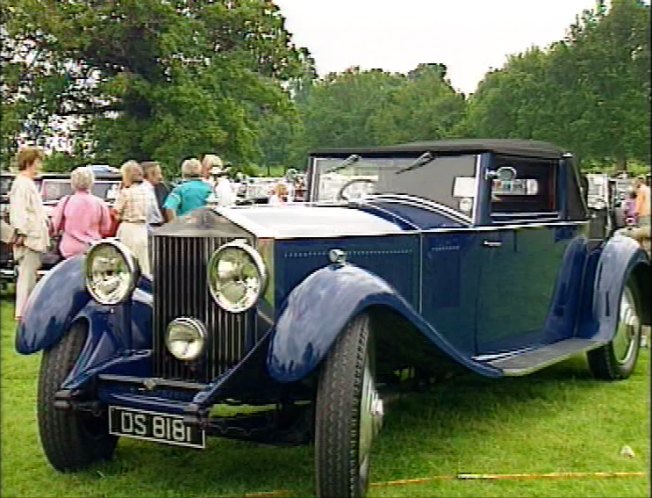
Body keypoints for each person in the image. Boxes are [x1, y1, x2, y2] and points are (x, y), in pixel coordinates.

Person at [9, 147, 49, 319]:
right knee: (26, 276)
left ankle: (28, 312)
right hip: (29, 238)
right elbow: (19, 212)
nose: (39, 166)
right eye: (37, 162)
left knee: (31, 276)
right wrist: (22, 234)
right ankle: (23, 314)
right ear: (29, 163)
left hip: (35, 236)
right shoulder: (22, 184)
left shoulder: (28, 183)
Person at [50, 166, 112, 259]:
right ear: (92, 181)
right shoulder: (99, 203)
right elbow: (106, 228)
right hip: (92, 247)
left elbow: (55, 226)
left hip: (69, 248)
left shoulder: (66, 201)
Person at [113, 160, 151, 275]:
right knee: (143, 262)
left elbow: (116, 214)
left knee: (126, 261)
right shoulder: (147, 191)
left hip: (128, 228)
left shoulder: (126, 193)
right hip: (143, 228)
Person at [141, 161, 168, 227]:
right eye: (158, 174)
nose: (161, 177)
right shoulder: (140, 190)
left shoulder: (162, 188)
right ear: (149, 175)